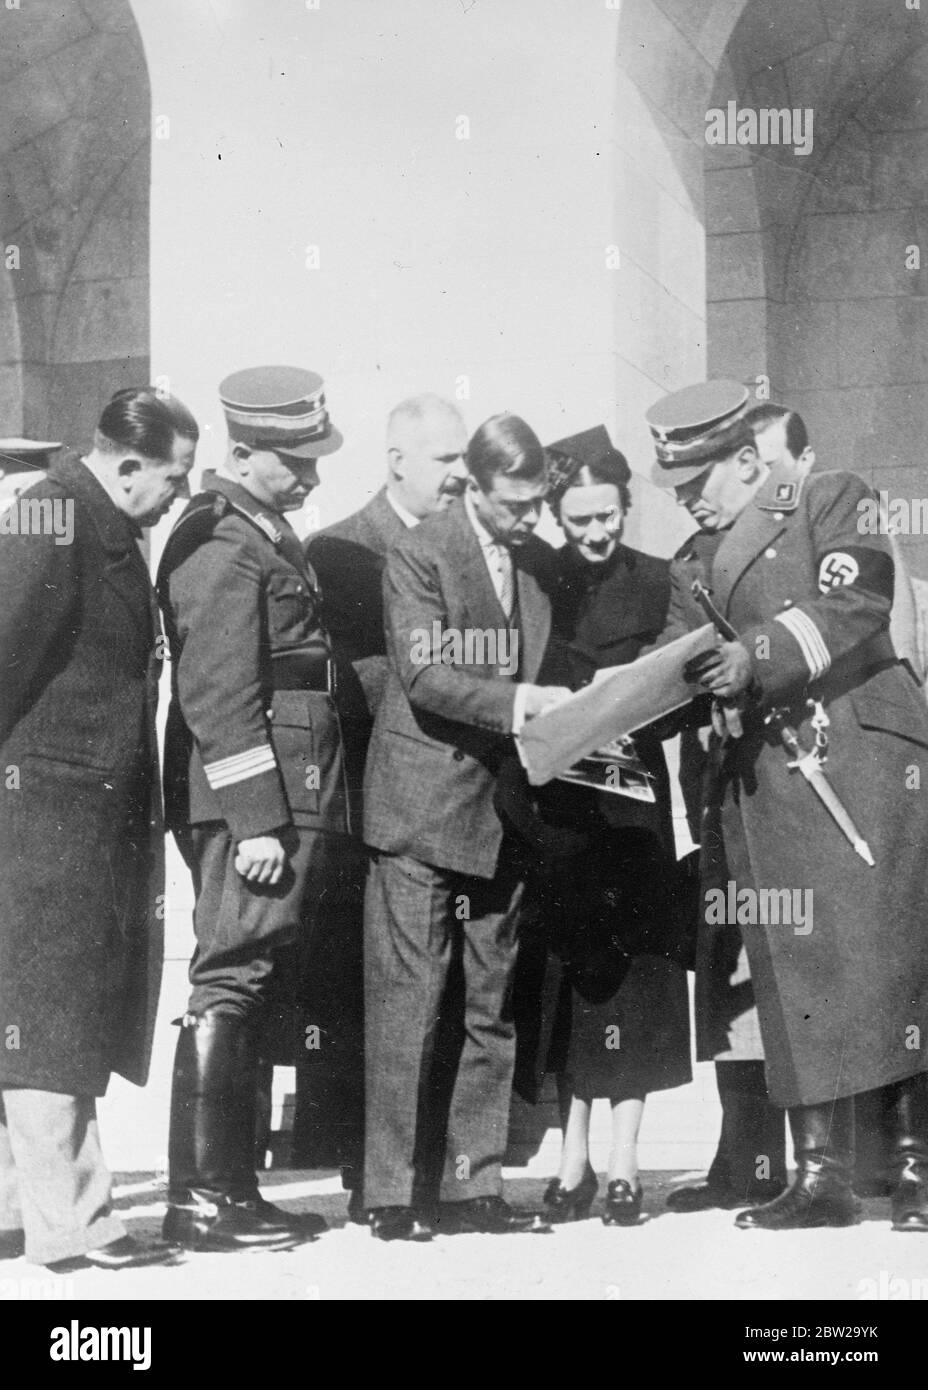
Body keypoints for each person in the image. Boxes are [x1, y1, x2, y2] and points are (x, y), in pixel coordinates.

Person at [646, 378, 928, 1232]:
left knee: (893, 962)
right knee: (796, 970)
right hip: (767, 786)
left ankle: (916, 1172)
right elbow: (667, 667)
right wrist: (590, 707)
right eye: (677, 485)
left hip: (860, 762)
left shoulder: (830, 498)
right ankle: (821, 1177)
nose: (688, 497)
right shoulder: (690, 565)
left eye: (700, 478)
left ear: (745, 460)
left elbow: (859, 597)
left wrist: (757, 654)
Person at [361, 412, 571, 1240]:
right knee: (409, 1006)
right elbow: (423, 674)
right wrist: (523, 703)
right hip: (421, 813)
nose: (528, 520)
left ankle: (472, 1187)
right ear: (472, 486)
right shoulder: (420, 551)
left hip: (502, 814)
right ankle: (393, 1196)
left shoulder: (534, 565)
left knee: (490, 1007)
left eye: (535, 504)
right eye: (514, 505)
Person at [0, 387, 197, 1270]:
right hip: (47, 812)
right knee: (50, 1013)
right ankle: (75, 1225)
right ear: (126, 466)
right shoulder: (55, 517)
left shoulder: (91, 518)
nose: (178, 494)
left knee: (42, 1010)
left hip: (69, 809)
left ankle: (15, 1212)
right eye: (173, 477)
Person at [157, 365, 351, 1252]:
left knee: (251, 973)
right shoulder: (220, 542)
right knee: (229, 975)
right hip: (256, 797)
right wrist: (256, 822)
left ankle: (229, 1189)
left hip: (286, 787)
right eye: (292, 461)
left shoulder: (261, 533)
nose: (310, 477)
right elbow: (219, 691)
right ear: (241, 452)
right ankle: (203, 1196)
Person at [499, 426, 692, 1226]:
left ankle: (623, 1163)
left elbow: (691, 684)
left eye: (608, 515)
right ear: (554, 511)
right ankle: (571, 1158)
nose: (595, 533)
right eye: (578, 519)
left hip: (631, 807)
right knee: (563, 980)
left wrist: (637, 692)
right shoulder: (533, 574)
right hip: (555, 813)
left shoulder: (661, 579)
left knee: (637, 979)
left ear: (626, 504)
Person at [294, 396, 468, 1199]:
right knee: (369, 988)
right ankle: (372, 1171)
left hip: (454, 802)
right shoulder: (339, 553)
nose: (460, 473)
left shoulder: (467, 545)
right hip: (374, 799)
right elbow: (349, 684)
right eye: (443, 458)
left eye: (464, 457)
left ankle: (431, 1166)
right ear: (397, 459)